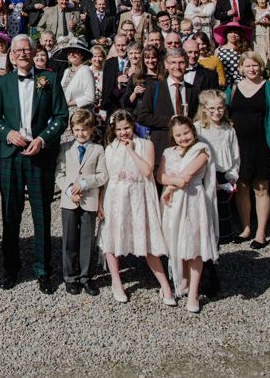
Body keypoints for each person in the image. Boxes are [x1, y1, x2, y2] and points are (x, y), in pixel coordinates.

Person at [0, 34, 68, 294]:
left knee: (41, 214)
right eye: (18, 50)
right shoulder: (2, 83)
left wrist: (43, 140)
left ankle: (43, 269)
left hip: (39, 155)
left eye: (27, 49)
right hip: (11, 156)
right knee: (11, 214)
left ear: (34, 52)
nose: (23, 53)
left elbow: (61, 116)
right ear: (11, 55)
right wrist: (7, 133)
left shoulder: (51, 79)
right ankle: (10, 268)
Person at [97, 110, 175, 305]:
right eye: (119, 129)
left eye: (127, 128)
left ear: (133, 126)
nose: (124, 133)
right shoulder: (109, 149)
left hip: (139, 196)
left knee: (148, 240)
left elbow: (147, 170)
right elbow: (106, 179)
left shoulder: (145, 144)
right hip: (116, 197)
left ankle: (165, 285)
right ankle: (116, 281)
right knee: (112, 238)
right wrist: (100, 203)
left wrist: (131, 149)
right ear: (113, 130)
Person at [157, 116, 219, 314]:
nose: (183, 138)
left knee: (194, 246)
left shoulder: (201, 151)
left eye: (186, 133)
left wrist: (170, 186)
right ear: (172, 137)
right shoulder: (168, 152)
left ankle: (193, 293)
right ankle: (181, 281)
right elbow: (160, 176)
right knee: (175, 241)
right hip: (172, 205)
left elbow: (187, 178)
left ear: (192, 131)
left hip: (192, 200)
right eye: (178, 135)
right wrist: (170, 183)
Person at [226, 52, 270, 249]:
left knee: (261, 188)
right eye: (248, 66)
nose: (252, 69)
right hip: (238, 146)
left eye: (255, 65)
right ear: (241, 68)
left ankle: (261, 232)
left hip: (262, 144)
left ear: (261, 67)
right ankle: (246, 227)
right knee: (241, 187)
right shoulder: (232, 89)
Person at [55, 110, 106, 296]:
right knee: (69, 239)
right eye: (76, 130)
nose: (80, 134)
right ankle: (70, 277)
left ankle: (86, 277)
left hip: (89, 200)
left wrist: (84, 184)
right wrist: (69, 190)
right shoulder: (66, 148)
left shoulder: (98, 149)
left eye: (84, 130)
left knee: (86, 239)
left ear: (91, 130)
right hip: (69, 201)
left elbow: (103, 175)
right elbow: (59, 173)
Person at [137, 47, 200, 166]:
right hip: (162, 148)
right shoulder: (154, 88)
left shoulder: (193, 90)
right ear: (166, 65)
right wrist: (169, 121)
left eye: (181, 62)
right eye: (173, 63)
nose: (177, 66)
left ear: (186, 65)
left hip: (187, 148)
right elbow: (142, 117)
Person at [194, 89, 240, 245]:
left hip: (223, 175)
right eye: (212, 108)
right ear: (204, 108)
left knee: (220, 216)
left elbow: (235, 155)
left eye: (220, 108)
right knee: (204, 215)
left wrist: (232, 175)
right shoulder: (198, 129)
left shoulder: (229, 129)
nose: (216, 112)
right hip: (203, 176)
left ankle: (217, 249)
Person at [54, 38, 95, 143]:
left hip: (79, 117)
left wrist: (70, 103)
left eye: (75, 52)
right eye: (69, 52)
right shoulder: (67, 71)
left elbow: (90, 97)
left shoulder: (85, 70)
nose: (71, 54)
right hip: (65, 115)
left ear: (82, 55)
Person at [214, 21, 252, 88]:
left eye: (236, 33)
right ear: (226, 34)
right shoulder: (218, 50)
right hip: (224, 83)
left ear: (240, 35)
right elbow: (216, 68)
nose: (233, 35)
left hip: (242, 82)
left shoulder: (246, 49)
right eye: (230, 32)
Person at [252, 0, 270, 80]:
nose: (261, 1)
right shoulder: (254, 10)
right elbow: (251, 23)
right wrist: (257, 22)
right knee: (259, 54)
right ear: (257, 0)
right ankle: (261, 73)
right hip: (257, 35)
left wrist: (269, 23)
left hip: (269, 35)